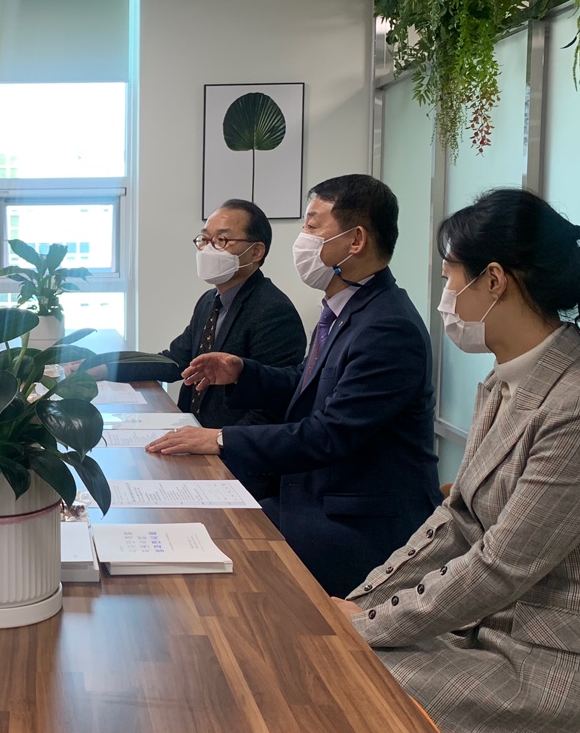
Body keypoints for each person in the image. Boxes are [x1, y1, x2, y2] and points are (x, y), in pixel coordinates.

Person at [333, 188, 580, 733]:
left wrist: (364, 626)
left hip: (571, 678)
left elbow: (500, 565)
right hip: (502, 636)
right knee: (337, 655)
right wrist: (363, 603)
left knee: (344, 674)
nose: (444, 297)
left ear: (493, 281)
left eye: (449, 277)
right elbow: (459, 521)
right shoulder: (507, 381)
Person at [147, 174, 440, 597]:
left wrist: (221, 437)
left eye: (312, 225)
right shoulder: (348, 309)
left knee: (215, 567)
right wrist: (242, 371)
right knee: (197, 534)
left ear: (355, 240)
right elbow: (305, 384)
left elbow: (330, 433)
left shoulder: (388, 327)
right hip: (313, 499)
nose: (302, 238)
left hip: (356, 524)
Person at [100, 199, 305, 431]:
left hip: (226, 444)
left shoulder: (274, 310)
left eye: (221, 240)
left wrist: (216, 441)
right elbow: (175, 361)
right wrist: (105, 368)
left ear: (256, 251)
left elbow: (273, 406)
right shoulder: (209, 300)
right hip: (192, 430)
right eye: (205, 239)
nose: (208, 249)